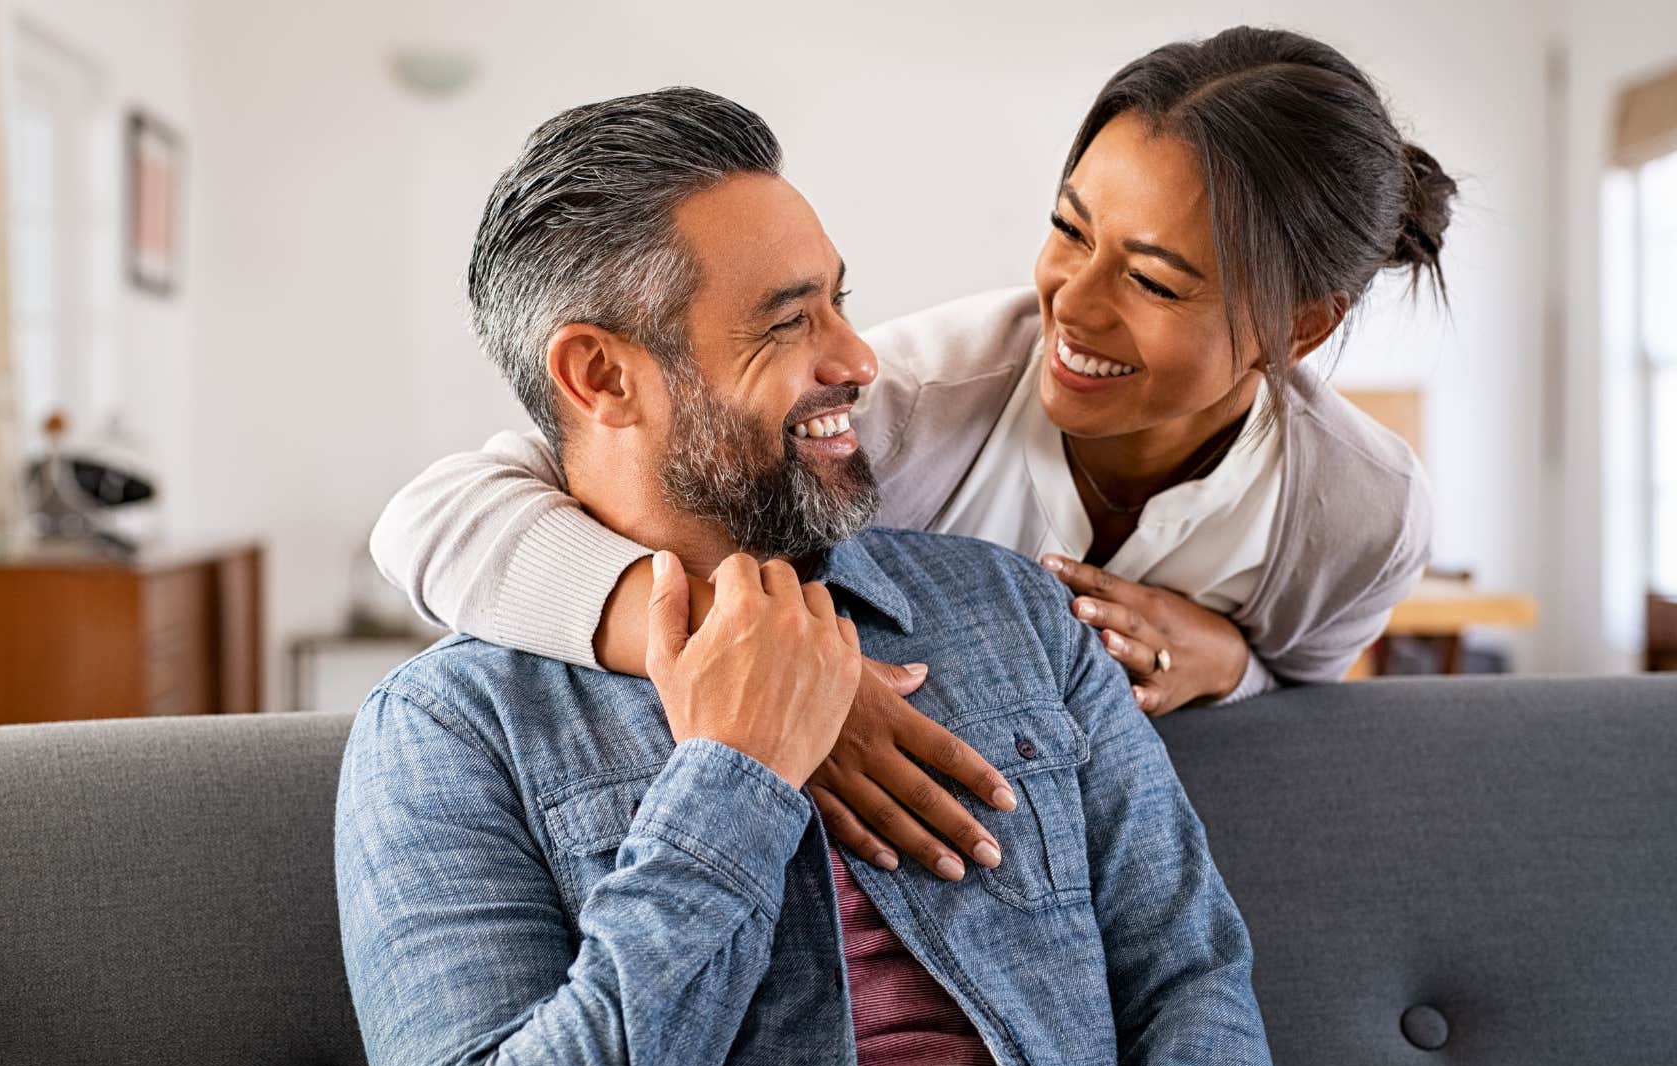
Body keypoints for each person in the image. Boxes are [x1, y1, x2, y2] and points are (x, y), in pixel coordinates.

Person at [336, 87, 1274, 1066]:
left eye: (841, 301)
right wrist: (733, 778)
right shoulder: (449, 730)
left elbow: (1191, 979)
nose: (859, 358)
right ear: (603, 378)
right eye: (788, 323)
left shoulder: (1017, 614)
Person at [371, 26, 1449, 880]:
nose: (1070, 303)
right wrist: (764, 667)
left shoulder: (1361, 512)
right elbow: (435, 518)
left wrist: (1232, 665)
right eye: (1069, 230)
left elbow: (1307, 701)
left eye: (1155, 280)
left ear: (1298, 328)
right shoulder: (912, 403)